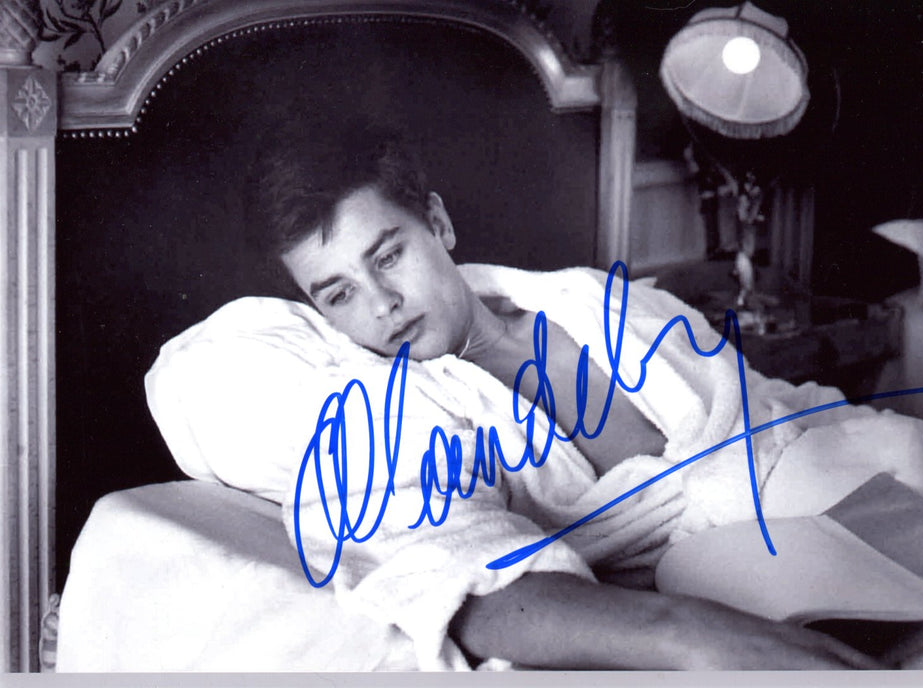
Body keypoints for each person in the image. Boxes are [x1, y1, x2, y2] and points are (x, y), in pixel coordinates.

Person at [244, 120, 886, 671]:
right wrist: (689, 634)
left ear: (438, 223)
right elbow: (455, 571)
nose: (382, 304)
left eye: (387, 257)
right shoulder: (387, 418)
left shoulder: (585, 297)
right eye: (340, 294)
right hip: (749, 592)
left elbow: (760, 397)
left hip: (858, 493)